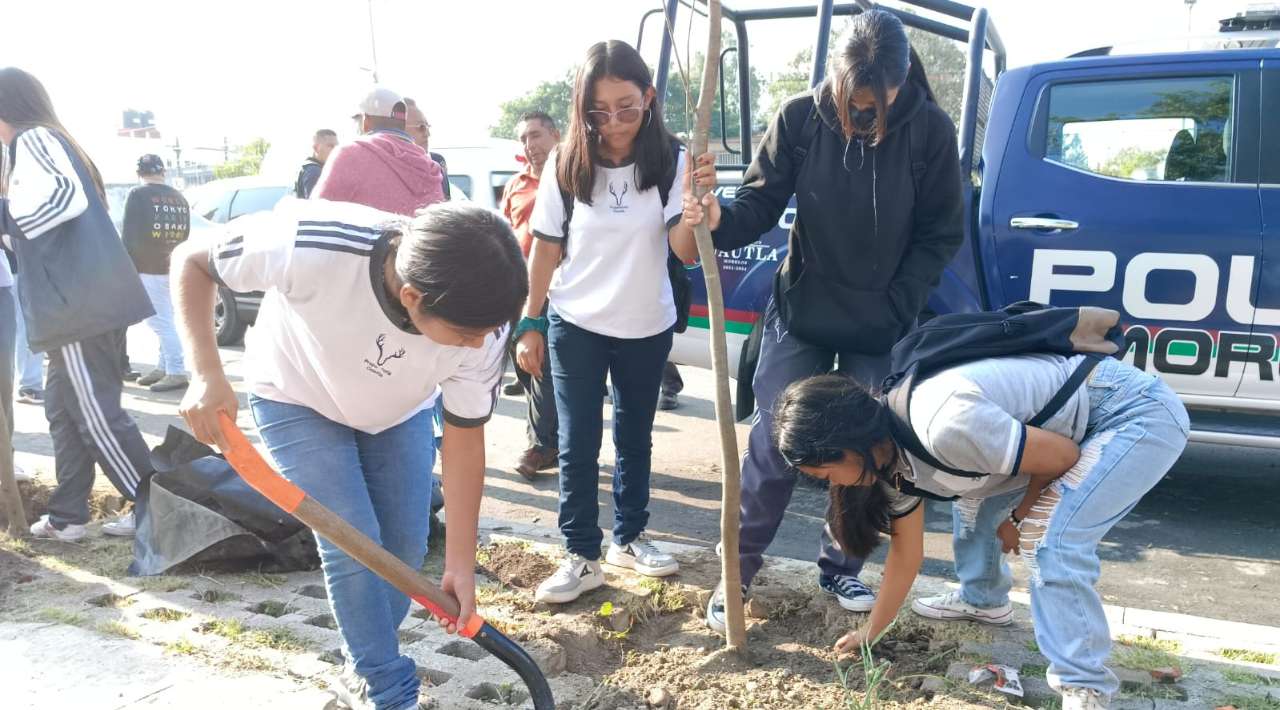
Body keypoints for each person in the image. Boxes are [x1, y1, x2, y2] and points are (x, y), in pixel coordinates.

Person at [173, 200, 526, 710]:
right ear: (412, 297)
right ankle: (384, 688)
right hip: (296, 396)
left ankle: (358, 666)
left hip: (397, 413)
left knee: (402, 551)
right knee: (353, 544)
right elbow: (194, 259)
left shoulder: (485, 333)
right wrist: (206, 371)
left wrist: (461, 563)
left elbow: (465, 441)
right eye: (466, 335)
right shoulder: (311, 243)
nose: (476, 348)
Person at [682, 9, 964, 628]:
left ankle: (842, 570)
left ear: (900, 81)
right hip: (803, 308)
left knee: (864, 451)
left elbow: (942, 233)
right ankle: (739, 570)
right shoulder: (800, 118)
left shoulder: (931, 133)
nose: (859, 113)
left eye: (873, 102)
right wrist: (718, 216)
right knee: (772, 445)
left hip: (881, 317)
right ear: (834, 77)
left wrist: (901, 301)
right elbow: (758, 203)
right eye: (849, 99)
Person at [773, 350, 1190, 710]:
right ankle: (983, 600)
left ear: (848, 443)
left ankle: (1084, 687)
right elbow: (906, 555)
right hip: (1060, 430)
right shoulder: (887, 462)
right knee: (970, 489)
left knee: (1049, 540)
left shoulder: (944, 426)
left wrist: (1019, 518)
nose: (832, 484)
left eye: (824, 472)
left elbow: (1062, 455)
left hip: (1130, 411)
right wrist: (870, 632)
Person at [517, 40, 698, 604]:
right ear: (582, 109)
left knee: (635, 436)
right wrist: (532, 323)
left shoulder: (673, 158)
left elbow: (686, 251)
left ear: (649, 97)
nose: (614, 122)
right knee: (577, 441)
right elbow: (544, 251)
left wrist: (699, 207)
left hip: (648, 323)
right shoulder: (568, 163)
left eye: (627, 106)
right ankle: (580, 554)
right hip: (578, 323)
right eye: (599, 111)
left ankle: (631, 536)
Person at [0, 67, 155, 540]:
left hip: (77, 304)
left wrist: (12, 215)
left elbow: (64, 199)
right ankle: (69, 515)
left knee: (93, 411)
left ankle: (157, 508)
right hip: (76, 303)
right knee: (64, 409)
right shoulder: (42, 142)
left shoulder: (34, 139)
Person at [499, 110, 560, 481]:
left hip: (558, 290)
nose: (530, 145)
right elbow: (505, 230)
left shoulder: (572, 178)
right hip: (517, 289)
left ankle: (541, 446)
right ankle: (553, 437)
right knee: (524, 366)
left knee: (542, 369)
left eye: (536, 135)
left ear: (555, 135)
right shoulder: (516, 185)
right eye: (524, 139)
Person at [313, 86, 444, 215]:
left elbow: (317, 215)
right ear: (402, 124)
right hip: (420, 236)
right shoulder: (430, 166)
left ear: (365, 121)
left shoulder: (350, 154)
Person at [123, 153, 190, 393]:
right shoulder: (180, 197)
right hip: (174, 265)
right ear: (163, 171)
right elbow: (186, 234)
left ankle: (176, 370)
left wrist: (127, 268)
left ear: (139, 173)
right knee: (167, 318)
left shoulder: (138, 195)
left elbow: (130, 236)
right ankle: (164, 366)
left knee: (159, 321)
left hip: (148, 267)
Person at [403, 98, 450, 201]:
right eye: (421, 127)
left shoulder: (438, 161)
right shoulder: (385, 168)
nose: (428, 134)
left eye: (427, 127)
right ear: (400, 129)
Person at [295, 128, 337, 199]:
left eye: (337, 147)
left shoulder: (307, 168)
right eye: (331, 146)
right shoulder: (314, 171)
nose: (335, 150)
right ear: (316, 148)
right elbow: (316, 206)